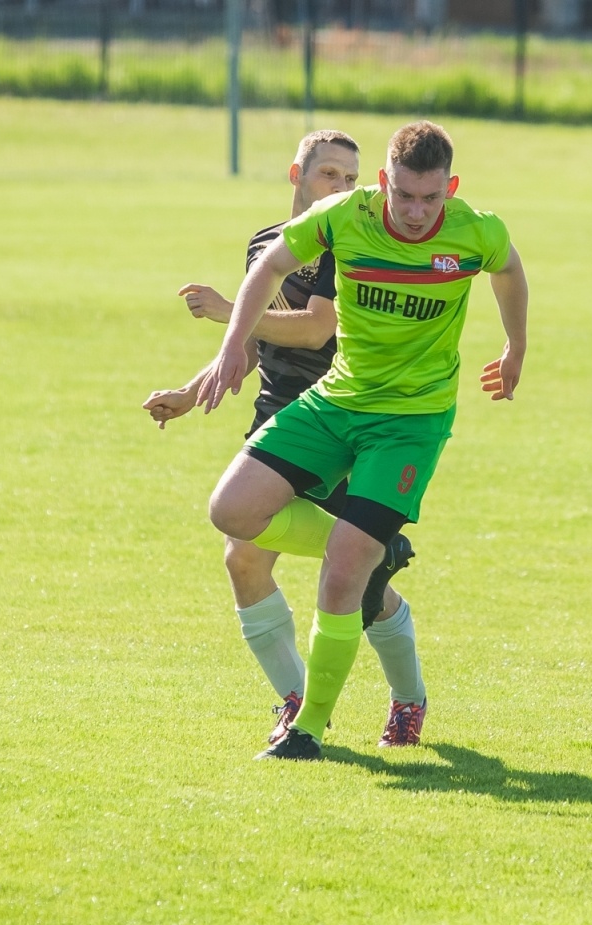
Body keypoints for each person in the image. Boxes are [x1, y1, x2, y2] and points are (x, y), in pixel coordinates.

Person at [194, 119, 528, 762]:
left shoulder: (476, 231)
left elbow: (509, 270)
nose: (415, 211)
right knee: (231, 513)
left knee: (343, 575)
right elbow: (268, 265)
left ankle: (308, 730)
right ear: (384, 182)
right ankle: (374, 549)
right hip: (336, 402)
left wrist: (515, 346)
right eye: (404, 195)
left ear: (450, 189)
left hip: (409, 424)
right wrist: (231, 347)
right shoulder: (346, 217)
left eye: (430, 199)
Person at [144, 130, 425, 750]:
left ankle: (408, 701)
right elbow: (245, 341)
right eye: (330, 174)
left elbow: (317, 328)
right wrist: (192, 395)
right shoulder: (266, 244)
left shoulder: (349, 243)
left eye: (352, 179)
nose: (343, 189)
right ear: (296, 174)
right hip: (279, 415)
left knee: (362, 588)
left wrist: (224, 310)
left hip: (342, 419)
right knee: (243, 554)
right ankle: (296, 700)